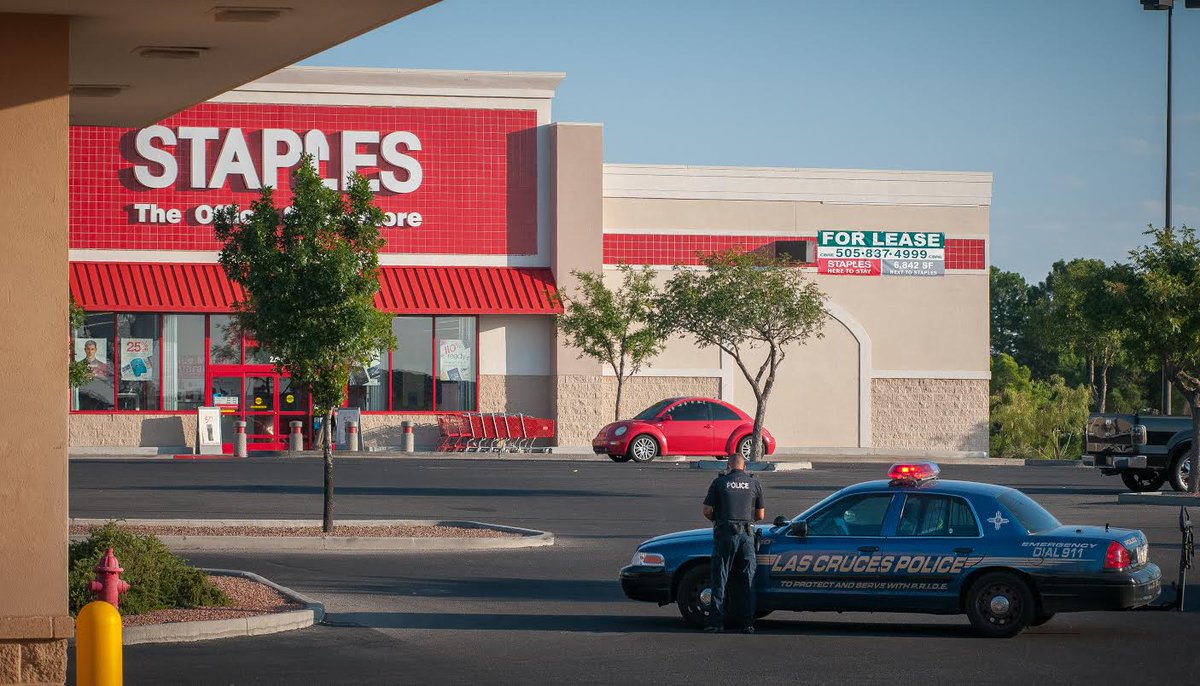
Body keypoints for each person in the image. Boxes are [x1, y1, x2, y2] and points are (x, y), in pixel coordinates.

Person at [702, 452, 765, 633]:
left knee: (720, 578)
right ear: (745, 467)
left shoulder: (719, 483)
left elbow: (707, 510)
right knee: (748, 580)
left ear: (728, 466)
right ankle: (747, 624)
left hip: (725, 534)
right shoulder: (754, 483)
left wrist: (718, 520)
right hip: (746, 535)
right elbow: (760, 515)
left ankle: (716, 623)